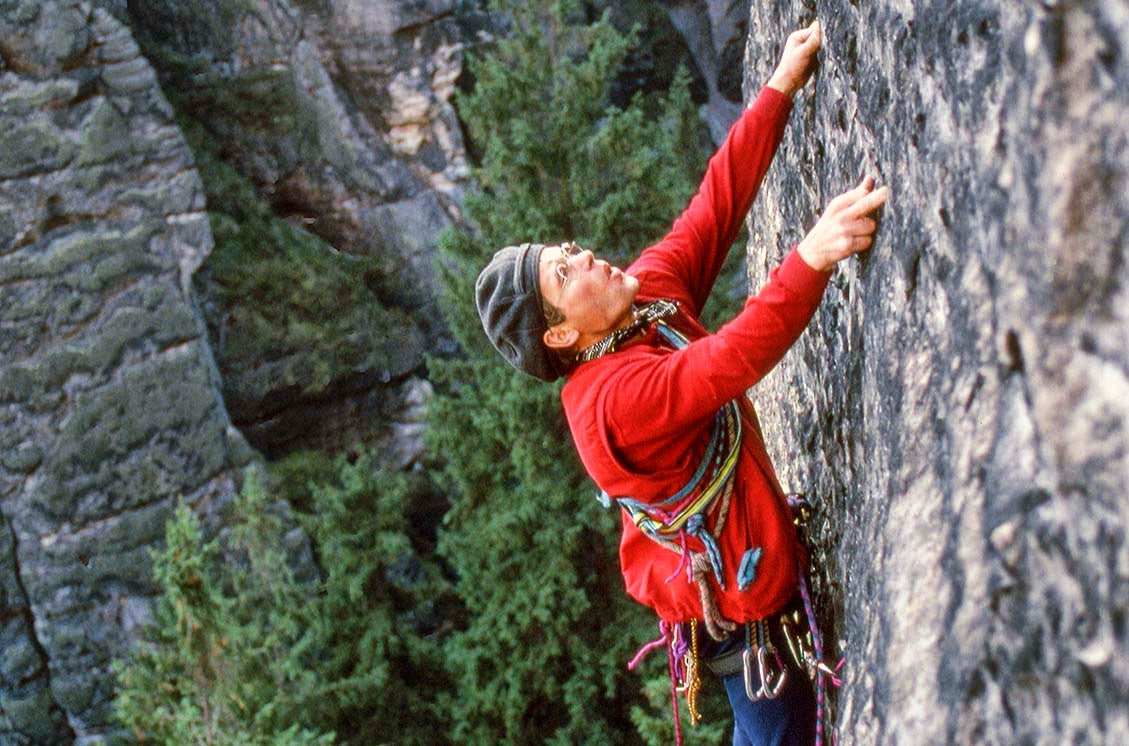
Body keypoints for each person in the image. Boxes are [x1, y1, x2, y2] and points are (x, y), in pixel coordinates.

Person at [475, 19, 888, 746]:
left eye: (562, 249)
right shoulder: (610, 403)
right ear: (562, 335)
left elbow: (714, 206)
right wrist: (813, 256)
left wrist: (778, 88)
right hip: (744, 614)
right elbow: (727, 360)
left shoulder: (641, 304)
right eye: (561, 273)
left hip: (752, 582)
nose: (581, 254)